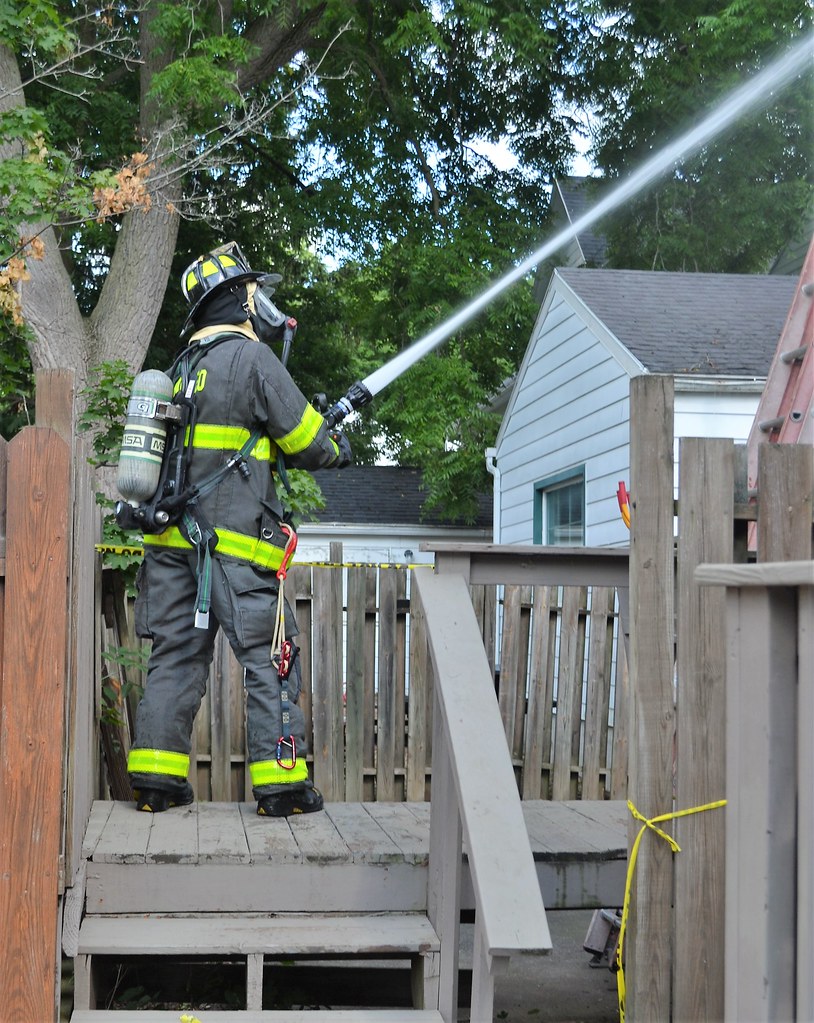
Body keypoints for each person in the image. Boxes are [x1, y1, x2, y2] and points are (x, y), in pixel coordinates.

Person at [126, 242, 351, 817]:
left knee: (175, 654)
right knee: (268, 654)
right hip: (234, 546)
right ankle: (283, 787)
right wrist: (335, 443)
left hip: (169, 543)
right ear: (238, 299)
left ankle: (156, 783)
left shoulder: (176, 372)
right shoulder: (250, 361)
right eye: (256, 293)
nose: (263, 303)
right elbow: (307, 442)